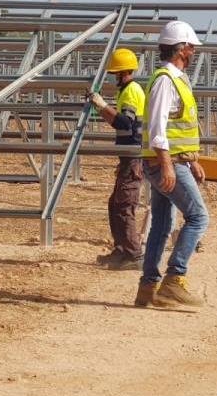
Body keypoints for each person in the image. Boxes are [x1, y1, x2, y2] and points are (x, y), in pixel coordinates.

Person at [134, 21, 209, 308]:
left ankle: (147, 288)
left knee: (162, 223)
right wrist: (167, 166)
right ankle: (174, 279)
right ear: (182, 49)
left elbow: (181, 129)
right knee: (199, 217)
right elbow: (157, 129)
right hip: (164, 163)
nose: (194, 53)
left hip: (174, 162)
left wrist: (192, 160)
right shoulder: (166, 80)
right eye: (191, 47)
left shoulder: (175, 78)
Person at [87, 48, 145, 270]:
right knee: (115, 204)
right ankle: (122, 250)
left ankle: (133, 254)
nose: (115, 77)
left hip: (134, 157)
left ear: (124, 72)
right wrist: (101, 106)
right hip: (128, 157)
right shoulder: (127, 91)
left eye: (117, 73)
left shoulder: (131, 91)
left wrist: (102, 105)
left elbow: (124, 123)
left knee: (124, 205)